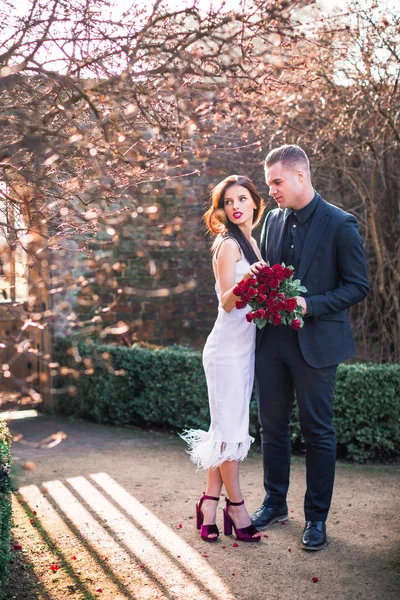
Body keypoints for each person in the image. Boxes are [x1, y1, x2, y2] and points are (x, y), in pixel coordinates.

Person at [250, 144, 369, 550]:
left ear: (300, 175)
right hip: (272, 344)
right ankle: (275, 502)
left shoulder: (341, 223)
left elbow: (358, 286)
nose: (272, 192)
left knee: (318, 433)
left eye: (277, 182)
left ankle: (316, 518)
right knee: (272, 428)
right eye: (269, 185)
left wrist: (310, 305)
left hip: (317, 344)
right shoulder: (271, 221)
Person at [181, 175, 265, 543]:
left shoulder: (252, 242)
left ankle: (209, 504)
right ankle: (238, 506)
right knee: (230, 433)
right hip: (225, 352)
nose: (236, 206)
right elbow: (227, 301)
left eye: (242, 199)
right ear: (223, 210)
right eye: (229, 202)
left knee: (225, 432)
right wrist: (253, 281)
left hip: (245, 350)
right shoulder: (228, 244)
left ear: (255, 204)